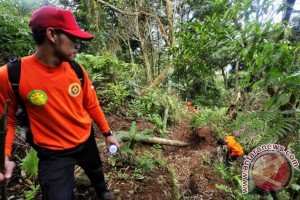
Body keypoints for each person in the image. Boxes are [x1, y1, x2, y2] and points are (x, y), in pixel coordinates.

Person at [0, 6, 120, 200]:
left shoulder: (76, 70)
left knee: (96, 170)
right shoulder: (12, 75)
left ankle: (102, 190)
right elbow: (7, 120)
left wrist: (107, 134)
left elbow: (91, 104)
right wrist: (4, 156)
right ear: (52, 34)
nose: (76, 45)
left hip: (85, 139)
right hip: (53, 154)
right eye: (73, 38)